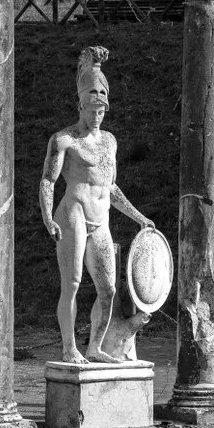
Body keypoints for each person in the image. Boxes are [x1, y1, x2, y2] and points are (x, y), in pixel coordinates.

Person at [39, 46, 154, 364]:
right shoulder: (64, 139)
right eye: (93, 107)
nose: (98, 113)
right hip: (73, 213)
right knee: (72, 283)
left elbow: (110, 187)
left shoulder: (110, 141)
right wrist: (48, 217)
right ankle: (68, 347)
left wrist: (138, 216)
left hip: (100, 219)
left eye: (102, 107)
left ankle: (95, 347)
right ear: (80, 105)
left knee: (109, 291)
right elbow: (48, 181)